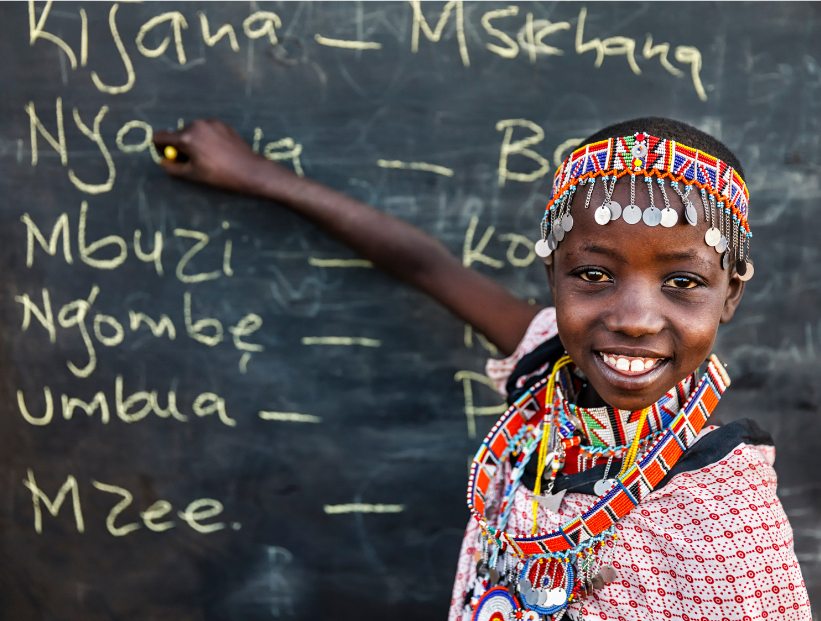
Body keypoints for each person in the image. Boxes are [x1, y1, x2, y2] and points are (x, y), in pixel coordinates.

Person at [153, 118, 811, 621]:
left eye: (681, 280)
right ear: (553, 277)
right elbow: (424, 265)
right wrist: (257, 175)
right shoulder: (549, 364)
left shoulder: (724, 522)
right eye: (593, 274)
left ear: (728, 294)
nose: (634, 317)